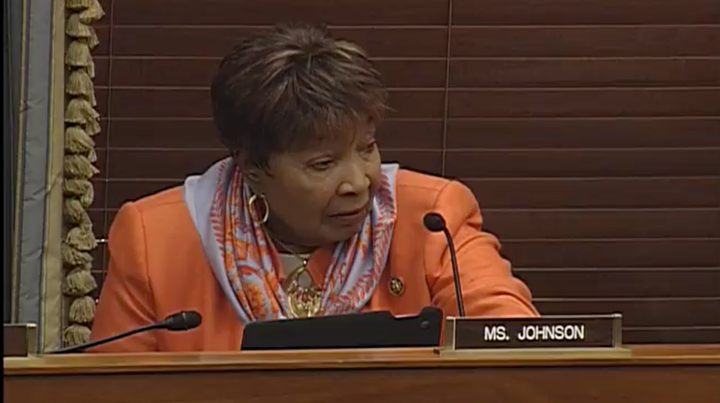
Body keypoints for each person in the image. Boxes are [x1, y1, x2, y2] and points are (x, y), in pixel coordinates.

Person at [89, 22, 538, 352]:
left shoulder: (432, 220)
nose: (359, 181)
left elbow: (519, 346)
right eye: (323, 163)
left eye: (367, 148)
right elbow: (108, 391)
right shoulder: (157, 238)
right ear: (251, 166)